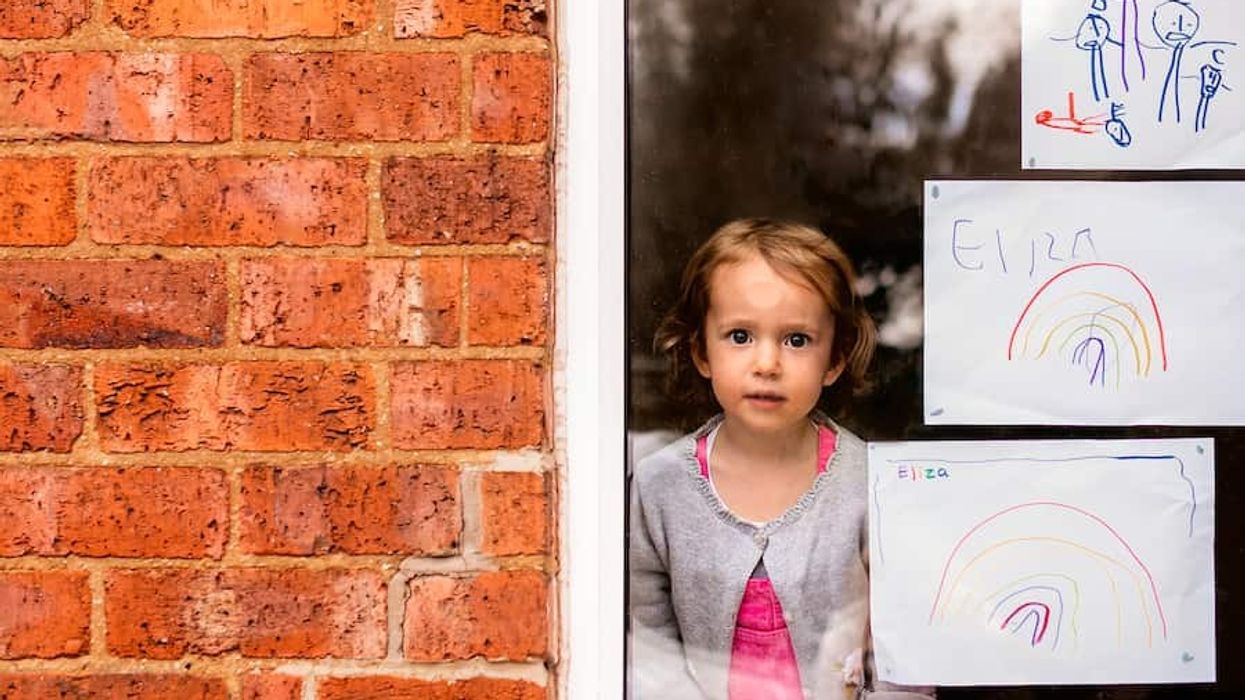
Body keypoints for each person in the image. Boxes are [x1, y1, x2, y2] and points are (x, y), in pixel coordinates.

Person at [629, 218, 934, 700]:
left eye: (796, 340)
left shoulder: (871, 486)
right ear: (701, 352)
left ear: (835, 359)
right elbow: (648, 645)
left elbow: (903, 658)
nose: (767, 364)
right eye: (740, 336)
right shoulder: (658, 486)